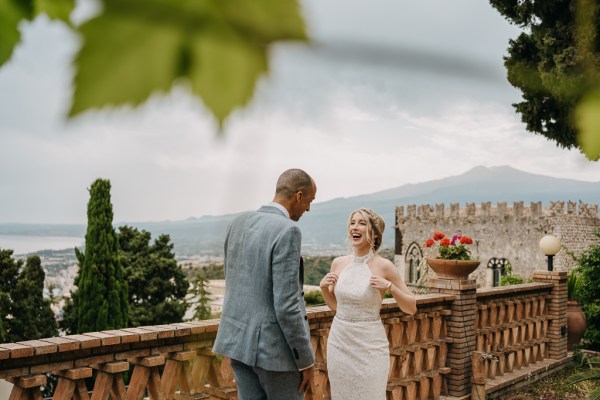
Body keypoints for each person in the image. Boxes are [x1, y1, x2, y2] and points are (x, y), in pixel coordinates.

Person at [213, 169, 317, 400]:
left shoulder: (238, 222)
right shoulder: (288, 230)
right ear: (299, 196)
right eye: (309, 201)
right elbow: (287, 305)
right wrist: (305, 360)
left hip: (237, 346)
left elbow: (235, 282)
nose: (308, 208)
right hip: (275, 355)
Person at [319, 208, 417, 400]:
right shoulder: (338, 263)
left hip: (370, 346)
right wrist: (323, 289)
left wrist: (390, 287)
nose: (355, 227)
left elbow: (411, 307)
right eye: (353, 222)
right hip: (339, 343)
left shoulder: (385, 266)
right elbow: (337, 308)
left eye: (362, 223)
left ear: (374, 232)